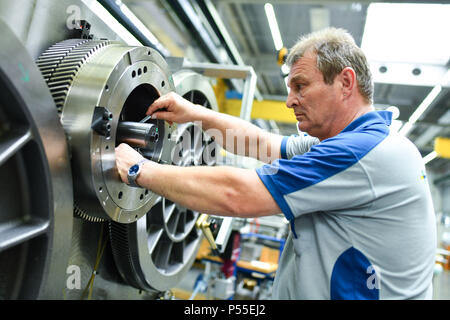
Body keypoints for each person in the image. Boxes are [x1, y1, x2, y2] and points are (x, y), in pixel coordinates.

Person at [115, 27, 436, 299]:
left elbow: (238, 195)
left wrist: (139, 169)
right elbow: (261, 143)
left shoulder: (362, 154)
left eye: (301, 86)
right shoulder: (355, 144)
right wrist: (194, 113)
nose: (289, 101)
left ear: (345, 83)